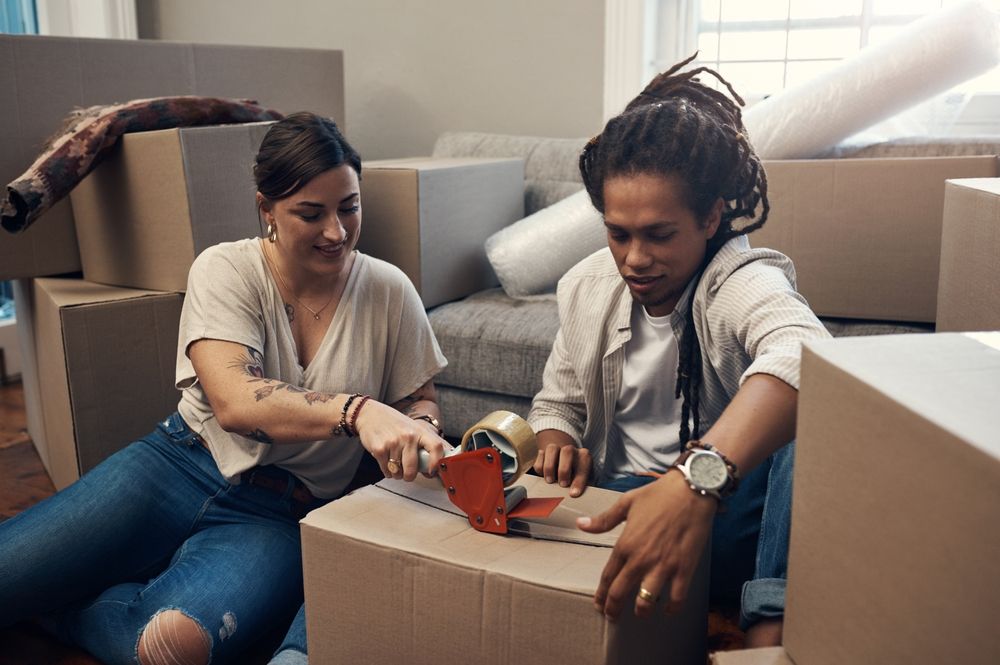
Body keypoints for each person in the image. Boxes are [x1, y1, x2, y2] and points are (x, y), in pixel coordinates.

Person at [0, 112, 449, 665]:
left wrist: (419, 426)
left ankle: (63, 603)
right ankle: (57, 577)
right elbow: (236, 402)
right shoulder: (225, 268)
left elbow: (418, 396)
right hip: (177, 465)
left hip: (282, 513)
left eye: (348, 207)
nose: (336, 231)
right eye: (311, 213)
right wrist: (357, 411)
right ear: (267, 210)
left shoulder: (389, 289)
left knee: (170, 649)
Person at [528, 54, 831, 647]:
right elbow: (557, 404)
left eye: (659, 234)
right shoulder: (587, 287)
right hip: (624, 493)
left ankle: (770, 630)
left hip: (724, 510)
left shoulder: (740, 277)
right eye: (618, 233)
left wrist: (695, 481)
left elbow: (803, 353)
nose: (635, 258)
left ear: (712, 217)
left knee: (813, 422)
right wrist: (556, 441)